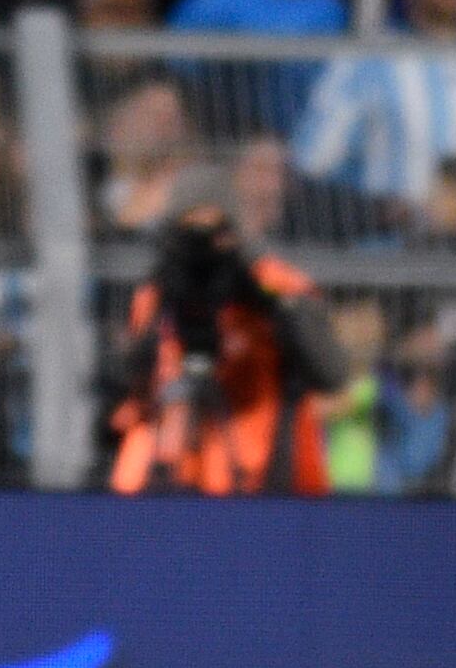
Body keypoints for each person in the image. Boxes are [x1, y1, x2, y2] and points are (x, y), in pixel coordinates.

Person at [106, 203, 341, 496]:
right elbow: (130, 386)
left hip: (260, 479)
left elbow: (331, 373)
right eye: (190, 235)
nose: (204, 253)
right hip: (161, 475)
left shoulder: (274, 285)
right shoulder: (160, 291)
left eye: (214, 236)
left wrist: (262, 304)